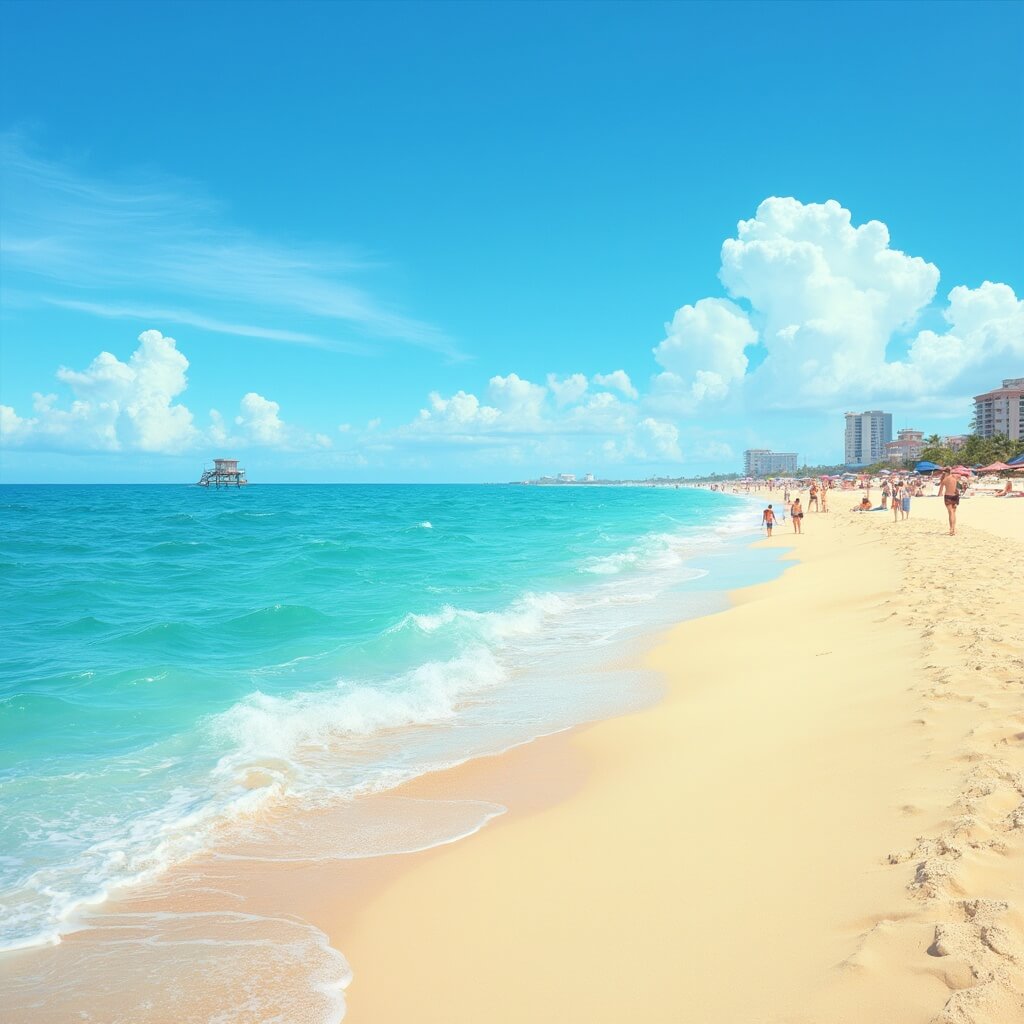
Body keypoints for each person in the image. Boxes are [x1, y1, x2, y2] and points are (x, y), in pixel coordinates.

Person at [936, 468, 959, 536]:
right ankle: (953, 529)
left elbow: (940, 492)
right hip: (955, 496)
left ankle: (951, 529)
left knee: (950, 513)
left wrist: (939, 494)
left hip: (948, 496)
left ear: (945, 473)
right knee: (954, 513)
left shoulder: (944, 480)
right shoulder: (955, 477)